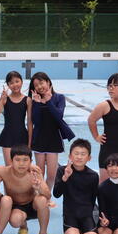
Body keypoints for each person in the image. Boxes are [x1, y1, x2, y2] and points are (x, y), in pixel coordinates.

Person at [0, 145, 51, 234]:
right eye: (17, 160)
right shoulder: (4, 171)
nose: (21, 163)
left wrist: (39, 188)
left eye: (25, 160)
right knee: (15, 221)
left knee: (42, 199)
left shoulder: (34, 173)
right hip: (17, 207)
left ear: (31, 161)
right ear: (11, 161)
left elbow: (48, 194)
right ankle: (23, 226)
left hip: (33, 205)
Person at [29, 72, 75, 202]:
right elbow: (36, 120)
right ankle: (39, 197)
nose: (39, 87)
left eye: (41, 83)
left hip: (53, 139)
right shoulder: (34, 100)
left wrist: (49, 101)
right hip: (39, 139)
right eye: (36, 85)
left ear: (48, 82)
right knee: (39, 172)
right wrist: (37, 103)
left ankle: (46, 196)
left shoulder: (59, 98)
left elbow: (58, 116)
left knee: (51, 174)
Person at [53, 139, 100, 234]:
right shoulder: (62, 170)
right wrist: (65, 178)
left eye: (83, 154)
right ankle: (77, 232)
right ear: (70, 156)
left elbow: (93, 199)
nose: (79, 157)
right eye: (76, 153)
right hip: (70, 215)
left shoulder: (93, 176)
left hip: (86, 215)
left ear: (89, 158)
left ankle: (84, 231)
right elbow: (56, 194)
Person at [0, 70, 32, 165]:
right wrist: (1, 99)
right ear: (8, 85)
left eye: (17, 81)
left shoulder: (27, 100)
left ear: (21, 82)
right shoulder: (5, 99)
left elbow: (29, 123)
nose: (15, 85)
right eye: (11, 83)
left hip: (22, 136)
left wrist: (30, 143)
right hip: (7, 136)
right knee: (9, 167)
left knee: (23, 167)